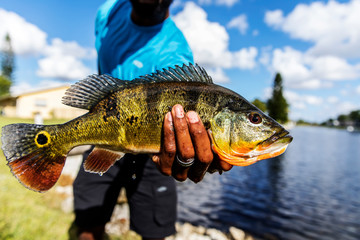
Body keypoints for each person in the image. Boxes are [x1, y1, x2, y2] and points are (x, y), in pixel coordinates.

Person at [73, 0, 232, 239]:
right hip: (106, 135)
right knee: (87, 224)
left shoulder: (175, 54)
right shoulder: (108, 12)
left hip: (154, 152)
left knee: (155, 232)